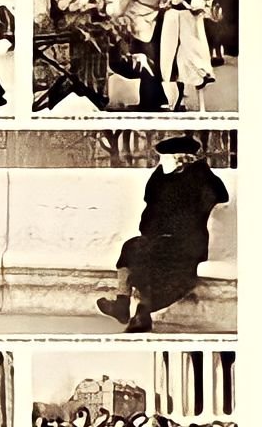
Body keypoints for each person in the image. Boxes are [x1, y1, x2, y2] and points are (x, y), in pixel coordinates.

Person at [96, 135, 229, 332]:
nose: (161, 162)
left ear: (180, 158)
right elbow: (150, 197)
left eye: (166, 158)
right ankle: (122, 303)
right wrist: (164, 174)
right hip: (159, 239)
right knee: (132, 247)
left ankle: (143, 312)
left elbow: (221, 194)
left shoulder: (200, 177)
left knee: (154, 262)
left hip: (186, 244)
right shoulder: (163, 177)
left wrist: (198, 167)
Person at [108, 0, 189, 111]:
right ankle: (149, 103)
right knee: (147, 58)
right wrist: (116, 12)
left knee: (159, 59)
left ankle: (158, 99)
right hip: (138, 18)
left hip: (159, 19)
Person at [159, 0, 215, 111]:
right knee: (170, 58)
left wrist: (199, 6)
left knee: (193, 56)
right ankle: (177, 101)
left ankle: (201, 105)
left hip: (188, 18)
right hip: (172, 17)